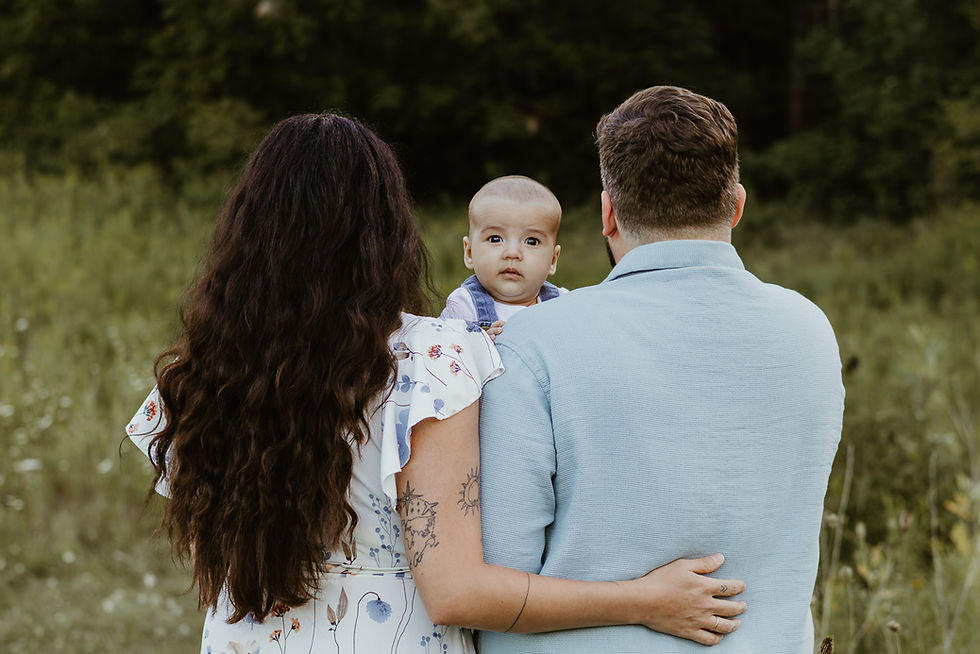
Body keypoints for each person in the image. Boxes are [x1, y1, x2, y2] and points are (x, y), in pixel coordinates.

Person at [125, 113, 748, 654]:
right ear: (384, 234)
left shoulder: (198, 376)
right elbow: (457, 592)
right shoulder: (433, 359)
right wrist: (643, 599)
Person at [478, 86, 845, 653]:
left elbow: (498, 579)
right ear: (738, 205)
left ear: (607, 213)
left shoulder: (532, 344)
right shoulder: (810, 330)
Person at [440, 175, 568, 336]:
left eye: (532, 241)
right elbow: (444, 353)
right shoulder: (464, 306)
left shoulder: (563, 304)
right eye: (495, 239)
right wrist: (477, 344)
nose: (512, 253)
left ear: (553, 260)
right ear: (469, 253)